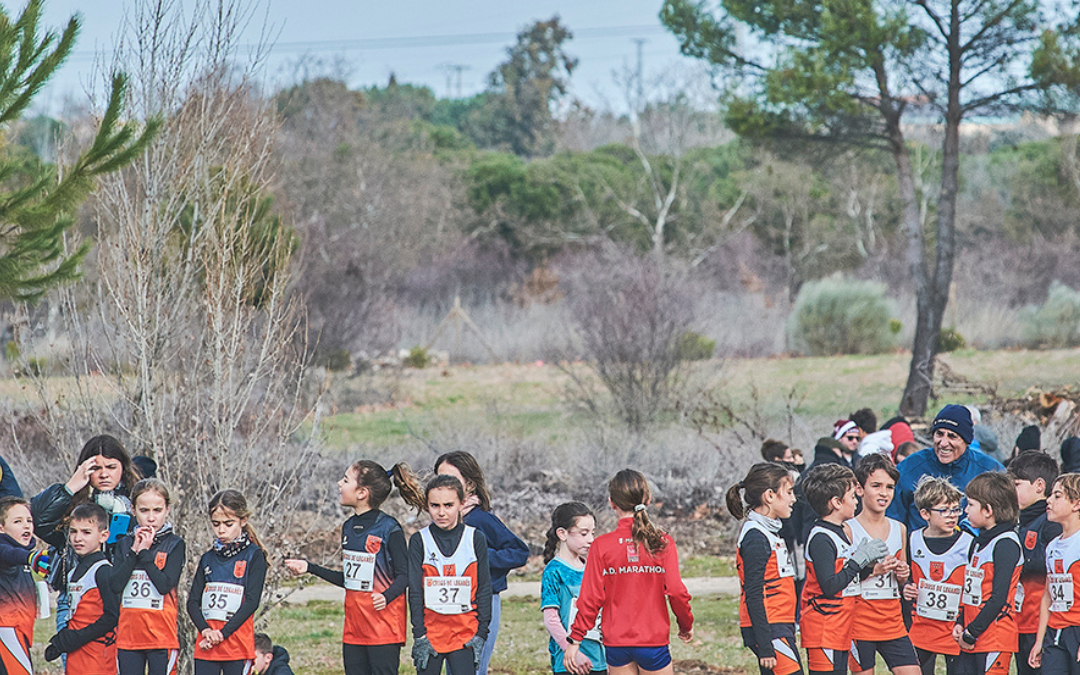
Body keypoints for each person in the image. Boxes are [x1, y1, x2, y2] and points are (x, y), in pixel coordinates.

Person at [285, 460, 426, 675]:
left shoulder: (389, 528)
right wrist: (309, 567)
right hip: (354, 629)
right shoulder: (349, 527)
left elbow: (405, 575)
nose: (339, 483)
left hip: (383, 629)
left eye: (345, 479)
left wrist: (386, 596)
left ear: (362, 493)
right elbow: (350, 579)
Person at [564, 469, 693, 675]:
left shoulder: (601, 546)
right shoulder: (662, 543)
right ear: (648, 500)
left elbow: (590, 598)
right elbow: (677, 592)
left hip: (616, 644)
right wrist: (685, 625)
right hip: (653, 642)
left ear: (612, 503)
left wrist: (575, 639)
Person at [31, 435, 140, 639]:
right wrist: (71, 487)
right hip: (76, 599)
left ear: (123, 468)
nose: (104, 474)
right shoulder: (72, 507)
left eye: (111, 467)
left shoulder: (138, 505)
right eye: (96, 468)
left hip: (122, 601)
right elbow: (36, 520)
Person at [434, 452, 528, 675]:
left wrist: (481, 558)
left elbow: (519, 552)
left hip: (481, 605)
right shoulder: (441, 522)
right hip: (449, 605)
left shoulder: (480, 519)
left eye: (450, 478)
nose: (443, 484)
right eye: (439, 478)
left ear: (469, 483)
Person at [798, 463, 888, 675]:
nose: (857, 501)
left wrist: (870, 565)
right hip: (824, 628)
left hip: (842, 626)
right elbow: (829, 585)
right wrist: (858, 561)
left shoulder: (840, 531)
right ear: (836, 502)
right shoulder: (821, 537)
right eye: (852, 496)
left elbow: (848, 577)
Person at [408, 474, 492, 675]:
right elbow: (415, 591)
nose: (441, 512)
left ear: (461, 504)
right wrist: (419, 635)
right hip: (431, 635)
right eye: (434, 506)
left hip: (466, 635)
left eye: (448, 505)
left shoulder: (475, 538)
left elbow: (484, 588)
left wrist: (481, 633)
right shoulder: (419, 540)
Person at [847, 454, 919, 675]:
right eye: (876, 485)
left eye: (889, 487)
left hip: (892, 622)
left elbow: (902, 579)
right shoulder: (848, 528)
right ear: (859, 489)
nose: (883, 493)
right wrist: (873, 570)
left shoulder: (900, 529)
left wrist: (902, 575)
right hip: (859, 622)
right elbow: (839, 577)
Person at [727, 463, 801, 675]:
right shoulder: (756, 537)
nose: (793, 498)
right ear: (769, 496)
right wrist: (766, 645)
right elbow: (753, 593)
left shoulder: (770, 531)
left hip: (779, 625)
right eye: (788, 492)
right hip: (769, 628)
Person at [888, 405, 1006, 531]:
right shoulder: (909, 468)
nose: (943, 443)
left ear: (967, 441)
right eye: (939, 434)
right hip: (919, 547)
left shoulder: (989, 470)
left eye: (952, 436)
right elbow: (892, 520)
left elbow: (1006, 518)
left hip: (972, 548)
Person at [187, 490, 267, 675]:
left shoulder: (254, 556)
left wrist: (222, 633)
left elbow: (252, 602)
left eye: (228, 524)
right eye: (216, 524)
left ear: (243, 520)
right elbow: (192, 602)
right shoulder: (208, 558)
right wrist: (206, 630)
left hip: (236, 646)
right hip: (207, 647)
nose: (221, 530)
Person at [111, 478, 186, 675]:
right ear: (133, 510)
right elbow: (115, 585)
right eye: (144, 511)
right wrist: (134, 552)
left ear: (167, 510)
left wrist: (144, 554)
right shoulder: (125, 544)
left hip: (161, 637)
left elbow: (164, 585)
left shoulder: (175, 544)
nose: (151, 518)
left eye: (157, 510)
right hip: (129, 636)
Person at [904, 477, 973, 675]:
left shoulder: (968, 543)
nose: (952, 516)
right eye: (944, 510)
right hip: (922, 628)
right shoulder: (913, 539)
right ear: (924, 513)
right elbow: (906, 576)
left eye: (955, 509)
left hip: (955, 628)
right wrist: (906, 587)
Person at [954, 472, 1021, 675]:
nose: (965, 511)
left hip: (994, 637)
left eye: (971, 505)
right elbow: (970, 590)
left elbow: (998, 597)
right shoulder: (977, 541)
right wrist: (960, 621)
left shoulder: (1006, 543)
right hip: (972, 634)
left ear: (988, 510)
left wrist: (972, 632)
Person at [43, 503, 119, 675]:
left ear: (103, 535)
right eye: (73, 531)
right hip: (76, 653)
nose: (78, 538)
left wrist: (75, 638)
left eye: (86, 532)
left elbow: (112, 616)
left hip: (97, 652)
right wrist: (60, 642)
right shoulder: (72, 571)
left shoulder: (103, 570)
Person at [1011, 451, 1061, 675]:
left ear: (1039, 485)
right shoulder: (1018, 521)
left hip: (1043, 625)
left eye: (1017, 484)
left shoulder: (1051, 523)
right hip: (1020, 622)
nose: (1011, 491)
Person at [540, 502, 605, 675]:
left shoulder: (593, 567)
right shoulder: (554, 571)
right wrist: (571, 650)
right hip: (569, 663)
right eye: (584, 534)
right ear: (562, 533)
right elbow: (551, 619)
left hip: (599, 660)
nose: (590, 539)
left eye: (592, 533)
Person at [1028, 472, 1080, 673]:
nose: (1048, 500)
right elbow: (1047, 596)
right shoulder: (1052, 546)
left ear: (1076, 504)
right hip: (1055, 632)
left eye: (1057, 496)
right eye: (1050, 495)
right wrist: (1039, 641)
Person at [0, 496, 48, 675]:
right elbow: (8, 553)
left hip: (20, 630)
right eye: (17, 521)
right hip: (7, 629)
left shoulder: (23, 554)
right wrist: (29, 558)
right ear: (1, 528)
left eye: (29, 520)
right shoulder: (7, 550)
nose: (26, 525)